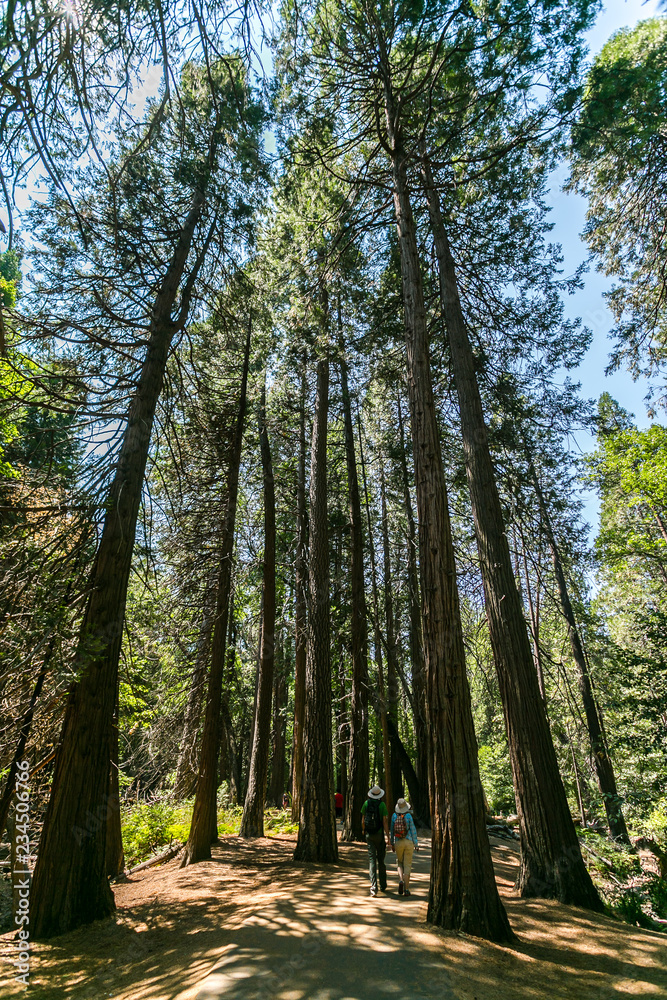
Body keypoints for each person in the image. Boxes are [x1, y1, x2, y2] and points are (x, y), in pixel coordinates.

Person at [361, 784, 391, 897]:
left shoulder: (366, 803)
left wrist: (364, 830)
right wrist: (388, 837)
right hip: (379, 836)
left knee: (372, 861)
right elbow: (384, 822)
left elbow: (363, 819)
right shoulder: (382, 805)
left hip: (369, 835)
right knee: (381, 861)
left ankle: (373, 887)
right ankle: (383, 884)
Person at [390, 797, 418, 896]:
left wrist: (392, 843)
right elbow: (413, 830)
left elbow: (392, 831)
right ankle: (406, 889)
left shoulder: (394, 816)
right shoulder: (409, 816)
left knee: (399, 862)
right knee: (407, 865)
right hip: (409, 842)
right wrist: (416, 843)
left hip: (398, 842)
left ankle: (401, 880)